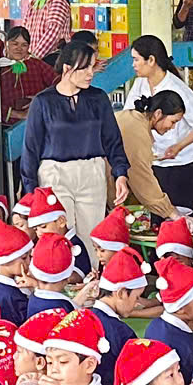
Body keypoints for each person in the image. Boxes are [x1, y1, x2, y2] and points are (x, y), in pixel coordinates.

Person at [18, 35, 125, 242]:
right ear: (67, 68)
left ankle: (90, 265)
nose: (90, 73)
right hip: (54, 174)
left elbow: (113, 139)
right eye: (85, 68)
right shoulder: (43, 101)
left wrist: (121, 173)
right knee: (58, 238)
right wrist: (31, 191)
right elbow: (30, 148)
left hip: (92, 172)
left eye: (92, 67)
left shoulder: (99, 98)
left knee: (92, 238)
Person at [127, 35, 193, 213]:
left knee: (179, 212)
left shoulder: (177, 88)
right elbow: (130, 115)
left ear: (151, 60)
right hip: (158, 157)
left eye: (136, 60)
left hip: (184, 159)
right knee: (158, 211)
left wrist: (178, 147)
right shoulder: (140, 83)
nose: (133, 64)